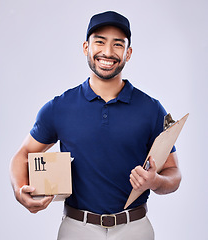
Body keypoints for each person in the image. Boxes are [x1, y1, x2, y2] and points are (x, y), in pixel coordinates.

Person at [10, 11, 181, 240]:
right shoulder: (59, 107)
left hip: (135, 228)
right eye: (99, 41)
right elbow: (22, 156)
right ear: (85, 48)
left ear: (128, 53)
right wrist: (20, 190)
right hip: (77, 228)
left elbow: (173, 173)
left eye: (118, 45)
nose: (108, 52)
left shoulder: (151, 109)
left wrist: (156, 181)